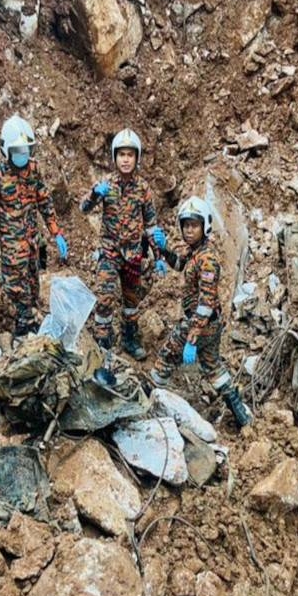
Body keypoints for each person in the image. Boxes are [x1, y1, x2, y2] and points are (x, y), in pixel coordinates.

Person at [150, 196, 253, 427]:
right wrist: (165, 248)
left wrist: (192, 337)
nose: (188, 230)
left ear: (204, 226)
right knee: (213, 367)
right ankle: (240, 413)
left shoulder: (207, 259)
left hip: (201, 323)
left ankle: (150, 402)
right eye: (185, 225)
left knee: (167, 356)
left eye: (194, 225)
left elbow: (206, 302)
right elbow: (178, 264)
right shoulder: (196, 251)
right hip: (210, 324)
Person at [0, 114, 69, 337]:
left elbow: (44, 200)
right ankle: (22, 326)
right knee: (14, 287)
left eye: (26, 150)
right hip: (11, 244)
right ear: (6, 150)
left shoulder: (33, 169)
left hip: (32, 242)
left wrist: (55, 231)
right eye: (18, 151)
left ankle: (30, 319)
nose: (23, 156)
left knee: (32, 284)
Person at [80, 128, 167, 361]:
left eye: (130, 155)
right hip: (109, 252)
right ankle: (102, 344)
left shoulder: (143, 189)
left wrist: (159, 256)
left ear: (136, 158)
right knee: (104, 298)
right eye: (121, 155)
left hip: (133, 256)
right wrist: (94, 194)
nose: (125, 159)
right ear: (114, 157)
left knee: (131, 302)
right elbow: (83, 209)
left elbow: (151, 226)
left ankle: (129, 339)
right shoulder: (105, 184)